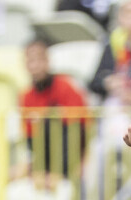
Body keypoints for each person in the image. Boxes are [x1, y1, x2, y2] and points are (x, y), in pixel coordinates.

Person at [21, 39, 90, 181]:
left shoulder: (65, 87)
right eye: (30, 61)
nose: (35, 66)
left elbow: (81, 128)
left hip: (71, 154)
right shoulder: (26, 96)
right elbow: (30, 137)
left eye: (39, 59)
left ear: (47, 61)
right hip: (44, 156)